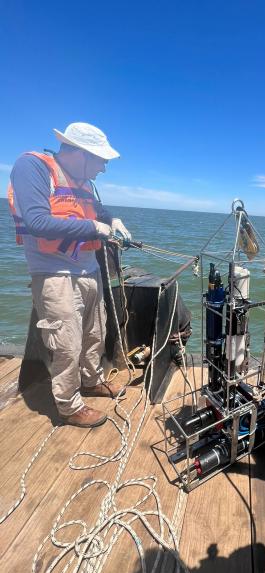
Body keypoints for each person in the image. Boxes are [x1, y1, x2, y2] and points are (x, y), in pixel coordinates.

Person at [8, 122, 131, 429]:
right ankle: (68, 405)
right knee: (66, 344)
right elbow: (37, 221)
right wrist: (94, 228)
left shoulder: (84, 181)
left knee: (95, 334)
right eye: (101, 160)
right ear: (80, 153)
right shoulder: (32, 168)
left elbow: (95, 209)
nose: (104, 167)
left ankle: (92, 381)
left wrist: (111, 219)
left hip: (89, 270)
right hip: (54, 273)